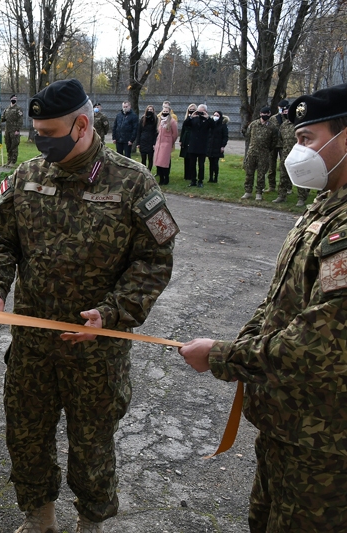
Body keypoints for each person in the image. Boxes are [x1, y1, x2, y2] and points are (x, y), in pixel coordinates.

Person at [0, 79, 177, 533]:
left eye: (48, 132)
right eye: (36, 131)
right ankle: (39, 518)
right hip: (32, 344)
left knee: (92, 446)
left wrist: (113, 312)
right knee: (25, 436)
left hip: (95, 351)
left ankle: (91, 523)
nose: (39, 140)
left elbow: (155, 260)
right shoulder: (26, 177)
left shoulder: (132, 181)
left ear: (81, 125)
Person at [179, 83, 347, 533]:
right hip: (290, 425)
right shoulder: (328, 205)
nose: (297, 150)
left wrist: (223, 356)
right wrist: (245, 340)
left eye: (307, 138)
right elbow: (282, 300)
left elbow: (322, 341)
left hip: (326, 442)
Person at [241, 107, 279, 201]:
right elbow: (248, 136)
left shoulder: (272, 127)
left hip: (264, 153)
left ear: (269, 114)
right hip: (252, 152)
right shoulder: (254, 124)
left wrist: (267, 149)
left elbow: (274, 141)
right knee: (249, 173)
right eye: (263, 113)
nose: (264, 115)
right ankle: (248, 192)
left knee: (261, 174)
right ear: (260, 114)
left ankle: (259, 192)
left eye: (267, 114)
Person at [184, 103, 212, 187]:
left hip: (202, 146)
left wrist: (208, 118)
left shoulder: (208, 120)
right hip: (193, 145)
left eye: (201, 111)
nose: (200, 113)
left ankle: (200, 181)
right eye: (198, 111)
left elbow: (213, 126)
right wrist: (191, 116)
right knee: (192, 164)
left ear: (205, 111)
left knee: (201, 165)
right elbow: (185, 124)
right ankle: (193, 180)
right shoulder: (194, 119)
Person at [273, 103, 297, 204]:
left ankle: (301, 198)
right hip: (286, 153)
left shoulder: (298, 124)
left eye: (288, 112)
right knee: (283, 175)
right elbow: (281, 139)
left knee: (299, 174)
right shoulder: (284, 125)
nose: (286, 113)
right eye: (285, 112)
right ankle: (282, 196)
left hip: (297, 153)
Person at [264, 99, 288, 194]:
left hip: (284, 145)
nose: (281, 110)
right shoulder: (273, 118)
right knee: (271, 166)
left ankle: (287, 187)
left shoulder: (289, 118)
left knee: (285, 166)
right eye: (280, 108)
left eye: (283, 108)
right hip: (273, 144)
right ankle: (271, 185)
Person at [154, 103, 178, 185]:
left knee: (164, 162)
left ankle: (166, 178)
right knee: (158, 162)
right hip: (159, 143)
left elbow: (175, 134)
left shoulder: (172, 121)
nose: (165, 112)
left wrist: (170, 141)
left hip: (166, 144)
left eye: (166, 111)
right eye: (163, 111)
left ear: (169, 112)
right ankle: (160, 178)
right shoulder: (160, 120)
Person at [1, 94, 24, 166]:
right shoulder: (7, 108)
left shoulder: (18, 108)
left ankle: (13, 161)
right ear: (10, 99)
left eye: (16, 98)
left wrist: (18, 130)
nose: (15, 99)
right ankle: (9, 160)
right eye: (13, 98)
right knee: (8, 145)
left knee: (14, 145)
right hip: (7, 130)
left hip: (14, 130)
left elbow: (20, 120)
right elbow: (3, 118)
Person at [206, 110, 229, 183]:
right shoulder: (211, 124)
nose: (215, 117)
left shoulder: (223, 125)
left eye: (217, 115)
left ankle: (215, 177)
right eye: (214, 115)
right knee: (210, 162)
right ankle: (210, 178)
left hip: (218, 146)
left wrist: (222, 146)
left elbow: (225, 136)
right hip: (210, 146)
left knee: (215, 162)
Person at [135, 105, 158, 171]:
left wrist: (154, 143)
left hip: (151, 141)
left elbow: (156, 132)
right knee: (143, 158)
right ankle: (144, 171)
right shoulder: (143, 119)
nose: (150, 111)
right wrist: (138, 143)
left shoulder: (155, 119)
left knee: (150, 158)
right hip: (143, 141)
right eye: (148, 109)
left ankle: (149, 171)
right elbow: (139, 131)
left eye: (151, 110)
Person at [179, 104, 197, 181]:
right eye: (190, 109)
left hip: (192, 139)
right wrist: (181, 140)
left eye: (193, 109)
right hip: (185, 138)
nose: (191, 110)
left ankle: (191, 175)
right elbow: (183, 129)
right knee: (186, 158)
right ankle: (186, 175)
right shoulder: (187, 118)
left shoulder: (196, 119)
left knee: (191, 158)